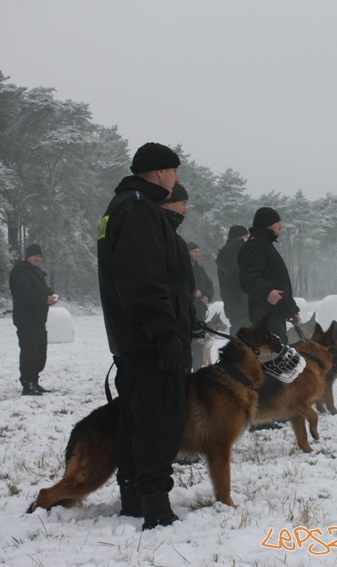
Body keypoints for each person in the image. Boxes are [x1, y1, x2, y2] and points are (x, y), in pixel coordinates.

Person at [97, 142, 190, 529]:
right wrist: (166, 333)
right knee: (158, 418)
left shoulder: (121, 206)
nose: (177, 179)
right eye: (174, 171)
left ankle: (133, 496)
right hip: (149, 339)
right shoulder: (139, 210)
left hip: (132, 339)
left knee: (135, 417)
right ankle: (155, 506)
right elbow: (144, 281)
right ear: (157, 172)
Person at [238, 207, 300, 344]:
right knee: (270, 361)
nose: (281, 226)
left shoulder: (265, 245)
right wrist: (266, 292)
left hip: (275, 314)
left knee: (278, 360)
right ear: (268, 224)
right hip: (265, 316)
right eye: (278, 222)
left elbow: (278, 282)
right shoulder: (255, 246)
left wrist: (291, 310)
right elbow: (248, 277)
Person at [9, 244, 59, 396]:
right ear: (27, 257)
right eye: (34, 256)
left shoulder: (36, 272)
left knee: (40, 352)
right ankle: (27, 383)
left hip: (38, 320)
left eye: (39, 256)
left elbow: (42, 290)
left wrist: (52, 295)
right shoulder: (20, 273)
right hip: (26, 320)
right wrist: (45, 299)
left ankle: (34, 381)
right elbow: (25, 294)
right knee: (29, 352)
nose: (37, 258)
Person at [160, 183, 196, 372]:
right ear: (168, 204)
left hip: (180, 331)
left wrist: (191, 317)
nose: (185, 210)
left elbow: (185, 286)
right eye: (182, 203)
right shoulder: (159, 235)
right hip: (169, 335)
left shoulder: (175, 238)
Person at [215, 225, 249, 336]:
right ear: (240, 238)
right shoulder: (234, 254)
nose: (248, 239)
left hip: (233, 306)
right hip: (242, 305)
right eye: (246, 236)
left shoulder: (225, 255)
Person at [187, 241, 214, 371]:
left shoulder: (200, 270)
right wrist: (193, 293)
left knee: (199, 345)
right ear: (188, 253)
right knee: (188, 346)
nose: (197, 254)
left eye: (198, 251)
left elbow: (209, 285)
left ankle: (197, 370)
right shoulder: (183, 269)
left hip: (200, 314)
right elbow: (178, 287)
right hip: (187, 314)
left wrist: (207, 296)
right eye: (194, 251)